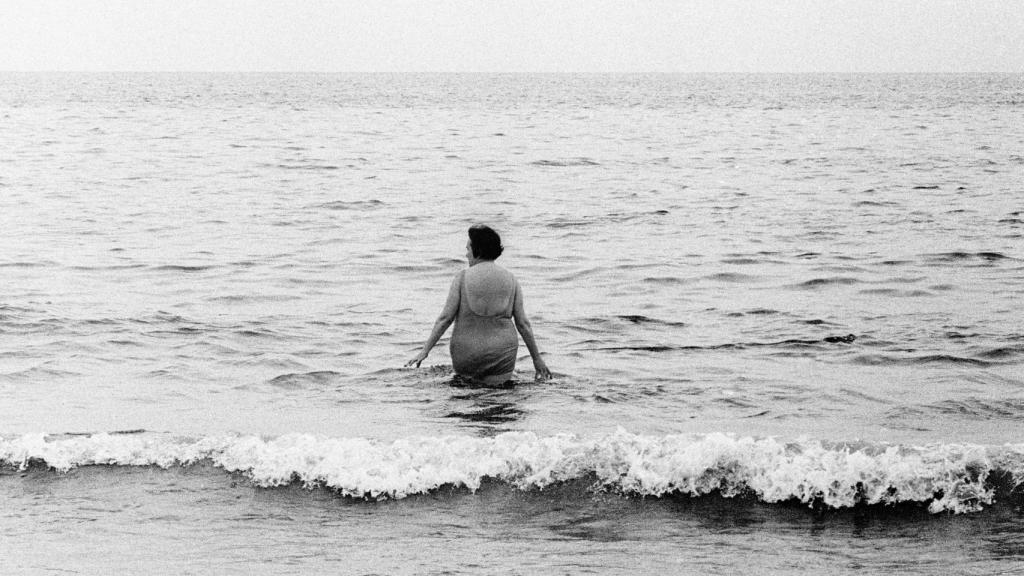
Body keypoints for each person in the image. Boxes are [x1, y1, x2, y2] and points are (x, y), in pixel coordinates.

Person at [406, 225, 552, 384]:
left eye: (468, 249)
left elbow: (445, 319)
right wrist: (537, 360)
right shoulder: (511, 279)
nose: (466, 254)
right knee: (499, 394)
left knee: (468, 391)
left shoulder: (462, 278)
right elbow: (523, 324)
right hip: (502, 356)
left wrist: (425, 351)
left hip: (468, 356)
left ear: (477, 250)